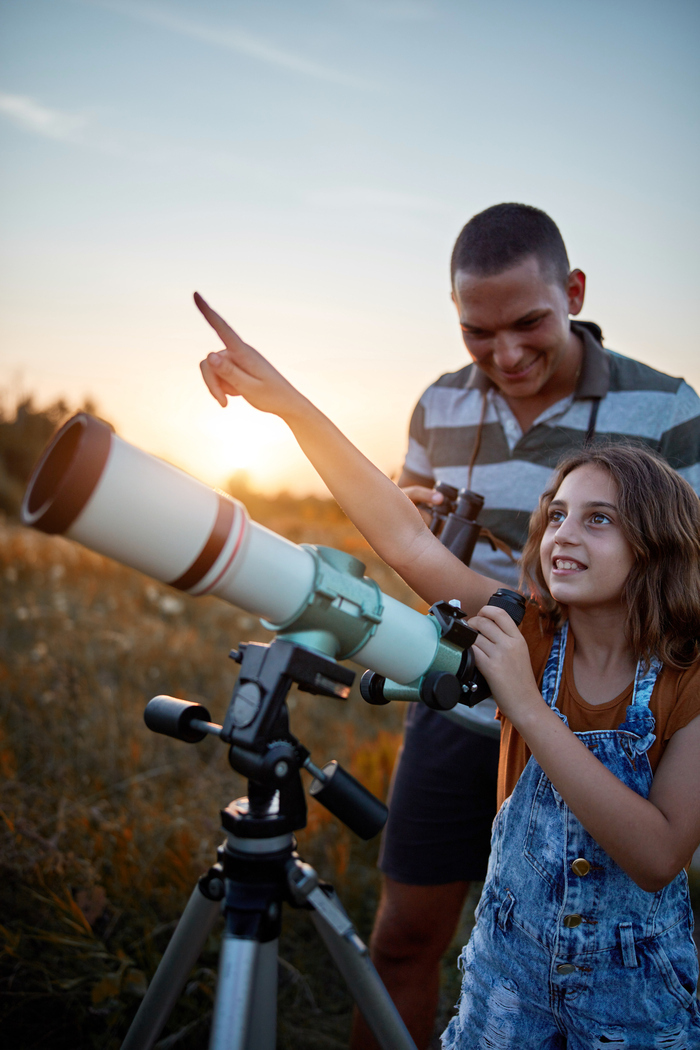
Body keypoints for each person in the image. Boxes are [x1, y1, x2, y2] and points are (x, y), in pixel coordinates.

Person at [196, 294, 700, 1046]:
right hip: (507, 993)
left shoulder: (687, 677)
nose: (564, 533)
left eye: (599, 518)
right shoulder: (527, 630)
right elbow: (406, 540)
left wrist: (527, 709)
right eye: (557, 514)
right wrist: (289, 406)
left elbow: (658, 856)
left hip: (633, 1008)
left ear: (656, 545)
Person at [370, 203, 700, 1050]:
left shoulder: (666, 408)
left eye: (528, 324)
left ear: (574, 293)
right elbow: (413, 545)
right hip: (458, 702)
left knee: (586, 943)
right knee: (404, 936)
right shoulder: (439, 404)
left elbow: (689, 570)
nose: (507, 355)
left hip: (608, 714)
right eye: (478, 333)